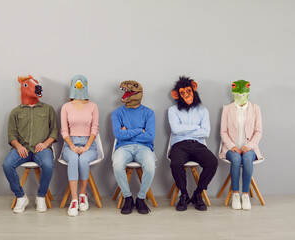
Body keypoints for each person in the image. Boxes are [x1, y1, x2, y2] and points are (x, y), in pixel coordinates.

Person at [3, 75, 58, 214]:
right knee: (7, 165)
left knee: (48, 164)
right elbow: (11, 135)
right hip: (22, 149)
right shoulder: (15, 112)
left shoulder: (48, 109)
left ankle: (41, 196)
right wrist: (19, 146)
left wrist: (45, 144)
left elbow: (54, 131)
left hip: (42, 149)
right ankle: (21, 197)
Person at [168, 76, 218, 211]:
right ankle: (183, 194)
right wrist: (196, 127)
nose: (186, 95)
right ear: (177, 94)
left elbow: (206, 132)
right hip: (179, 145)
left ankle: (197, 194)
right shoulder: (173, 110)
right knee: (176, 163)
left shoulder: (203, 111)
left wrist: (185, 129)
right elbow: (175, 130)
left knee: (212, 162)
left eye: (188, 91)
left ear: (194, 89)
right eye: (182, 93)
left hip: (198, 145)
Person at [111, 80, 156, 215]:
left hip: (144, 147)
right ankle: (128, 197)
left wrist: (127, 132)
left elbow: (149, 136)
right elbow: (118, 134)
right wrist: (139, 130)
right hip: (123, 147)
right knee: (117, 164)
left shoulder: (149, 113)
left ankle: (141, 198)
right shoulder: (117, 113)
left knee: (150, 166)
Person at [219, 80, 263, 210]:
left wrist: (249, 146)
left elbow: (258, 131)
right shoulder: (227, 109)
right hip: (231, 148)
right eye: (237, 94)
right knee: (237, 159)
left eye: (243, 94)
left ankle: (245, 195)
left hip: (250, 147)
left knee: (247, 158)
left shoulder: (255, 108)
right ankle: (235, 194)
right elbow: (223, 131)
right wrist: (232, 145)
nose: (240, 97)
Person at [61, 75, 99, 217]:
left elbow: (94, 129)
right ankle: (74, 199)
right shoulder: (66, 107)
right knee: (73, 159)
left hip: (88, 145)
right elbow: (64, 130)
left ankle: (83, 194)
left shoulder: (93, 106)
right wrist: (71, 146)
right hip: (69, 144)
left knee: (83, 159)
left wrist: (87, 146)